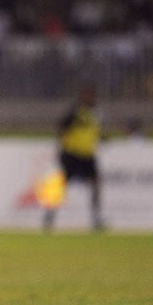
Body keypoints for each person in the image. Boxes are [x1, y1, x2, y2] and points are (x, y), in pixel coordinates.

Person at [43, 83, 104, 232]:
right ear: (83, 97)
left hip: (87, 155)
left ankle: (96, 219)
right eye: (89, 96)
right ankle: (50, 215)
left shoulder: (94, 113)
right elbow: (62, 127)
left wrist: (102, 138)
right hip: (72, 155)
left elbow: (92, 132)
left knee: (96, 185)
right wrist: (64, 145)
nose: (91, 98)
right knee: (61, 186)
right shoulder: (76, 112)